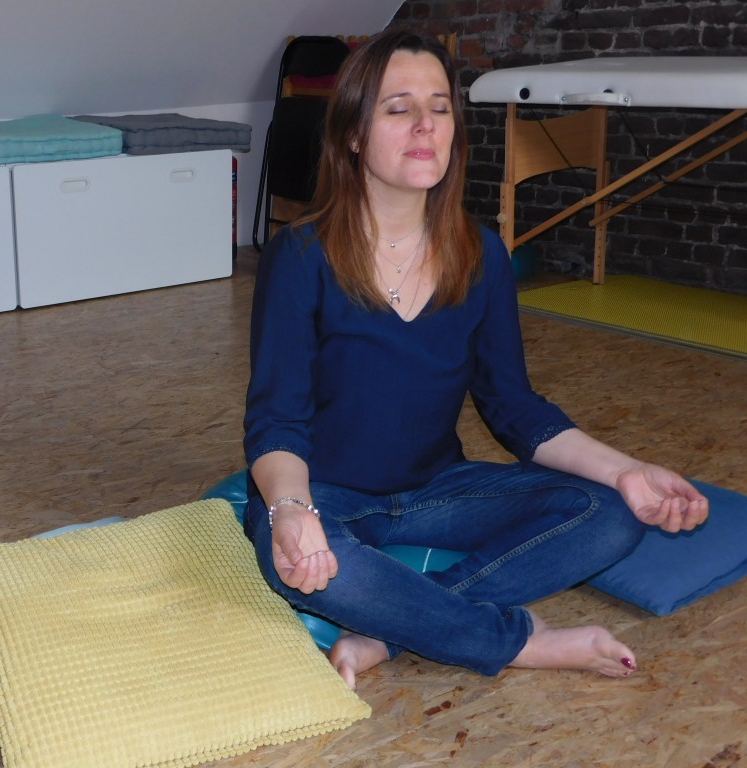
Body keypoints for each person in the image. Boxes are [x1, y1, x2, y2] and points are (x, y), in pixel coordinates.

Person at [242, 27, 709, 690]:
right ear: (351, 132)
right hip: (326, 498)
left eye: (439, 107)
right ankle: (517, 642)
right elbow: (276, 422)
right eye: (398, 108)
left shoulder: (480, 253)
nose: (426, 126)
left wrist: (629, 471)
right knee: (311, 565)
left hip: (436, 491)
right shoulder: (300, 257)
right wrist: (291, 513)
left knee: (609, 514)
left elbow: (514, 408)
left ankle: (391, 628)